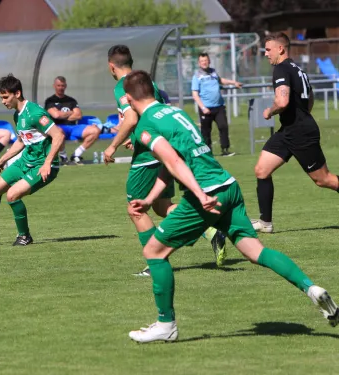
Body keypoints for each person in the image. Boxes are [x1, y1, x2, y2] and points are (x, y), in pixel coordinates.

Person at [121, 70, 338, 343]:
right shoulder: (173, 111)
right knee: (255, 251)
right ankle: (311, 288)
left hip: (208, 194)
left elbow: (174, 163)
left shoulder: (146, 124)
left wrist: (199, 194)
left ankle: (166, 325)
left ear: (129, 99)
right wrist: (152, 199)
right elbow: (175, 160)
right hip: (228, 185)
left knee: (153, 251)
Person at [103, 45, 226, 277]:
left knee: (136, 209)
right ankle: (210, 229)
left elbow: (130, 117)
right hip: (164, 151)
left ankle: (156, 261)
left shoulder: (123, 86)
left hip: (147, 157)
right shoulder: (148, 84)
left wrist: (112, 145)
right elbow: (151, 114)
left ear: (111, 66)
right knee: (161, 207)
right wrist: (134, 137)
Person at [0, 74, 65, 246]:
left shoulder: (35, 113)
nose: (3, 101)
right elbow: (22, 140)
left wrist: (47, 163)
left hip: (44, 165)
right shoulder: (18, 115)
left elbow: (59, 135)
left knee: (12, 195)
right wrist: (2, 160)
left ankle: (24, 236)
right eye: (1, 97)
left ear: (17, 93)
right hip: (26, 161)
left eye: (5, 97)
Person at [251, 32, 339, 233]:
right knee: (261, 170)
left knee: (323, 179)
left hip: (300, 132)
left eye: (268, 49)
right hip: (289, 131)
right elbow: (310, 100)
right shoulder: (298, 69)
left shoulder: (281, 68)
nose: (266, 54)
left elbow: (282, 101)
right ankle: (265, 223)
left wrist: (269, 110)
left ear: (280, 49)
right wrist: (301, 116)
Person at [191, 53, 242, 157]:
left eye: (206, 60)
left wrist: (234, 83)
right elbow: (195, 94)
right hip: (206, 108)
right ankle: (208, 152)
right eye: (202, 61)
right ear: (199, 63)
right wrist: (203, 107)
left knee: (223, 127)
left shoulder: (213, 72)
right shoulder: (197, 76)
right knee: (206, 131)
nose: (204, 62)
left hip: (219, 106)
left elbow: (221, 80)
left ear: (209, 61)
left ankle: (225, 150)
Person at [44, 76, 98, 165]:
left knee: (95, 130)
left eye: (62, 85)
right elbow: (56, 115)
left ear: (65, 86)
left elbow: (79, 115)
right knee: (58, 132)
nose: (61, 88)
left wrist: (62, 114)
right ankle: (64, 157)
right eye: (58, 85)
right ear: (54, 86)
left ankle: (76, 155)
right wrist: (71, 112)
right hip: (59, 127)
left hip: (73, 127)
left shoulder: (71, 100)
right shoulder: (50, 101)